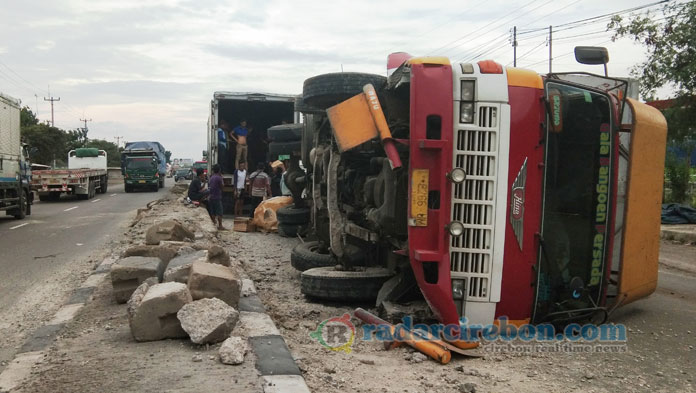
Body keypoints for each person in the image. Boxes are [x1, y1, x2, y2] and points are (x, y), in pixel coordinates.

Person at [208, 164, 225, 230]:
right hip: (217, 197)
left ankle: (213, 225)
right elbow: (222, 187)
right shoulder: (219, 178)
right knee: (219, 212)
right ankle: (220, 225)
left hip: (211, 197)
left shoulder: (211, 177)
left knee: (213, 212)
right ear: (219, 170)